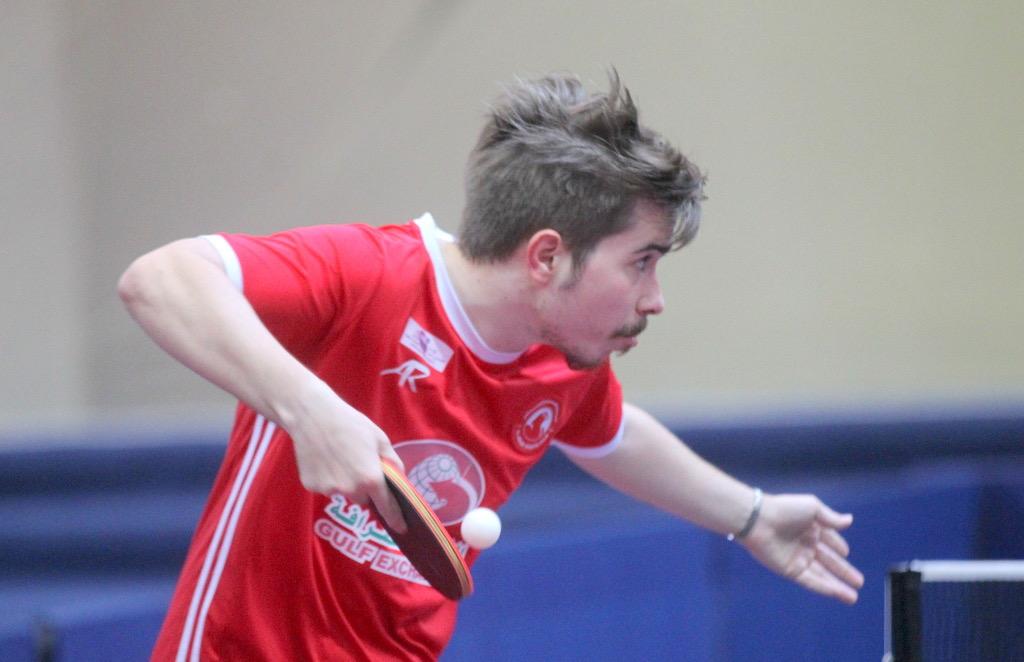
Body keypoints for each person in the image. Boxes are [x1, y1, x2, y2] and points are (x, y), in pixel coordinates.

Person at [119, 72, 863, 660]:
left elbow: (611, 435)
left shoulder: (565, 358)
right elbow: (158, 279)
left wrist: (752, 515)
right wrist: (309, 409)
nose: (656, 299)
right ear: (546, 256)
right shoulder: (370, 275)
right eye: (641, 263)